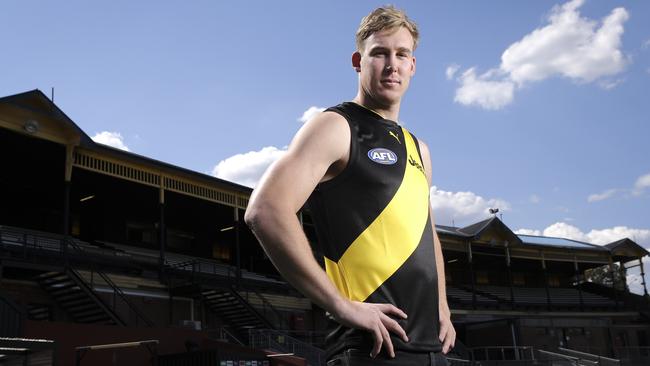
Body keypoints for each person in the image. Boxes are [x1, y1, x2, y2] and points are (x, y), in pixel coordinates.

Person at [245, 6, 455, 365]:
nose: (392, 65)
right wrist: (340, 305)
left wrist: (443, 307)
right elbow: (265, 210)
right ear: (359, 61)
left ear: (413, 66)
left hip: (431, 348)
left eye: (402, 54)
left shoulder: (418, 147)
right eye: (380, 53)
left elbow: (427, 231)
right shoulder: (335, 126)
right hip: (370, 347)